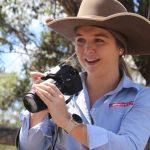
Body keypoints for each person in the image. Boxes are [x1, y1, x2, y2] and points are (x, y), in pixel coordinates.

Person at [17, 0, 150, 149]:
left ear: (120, 48)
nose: (87, 49)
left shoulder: (142, 97)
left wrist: (68, 122)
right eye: (80, 40)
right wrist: (39, 109)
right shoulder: (60, 91)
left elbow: (130, 146)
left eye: (99, 40)